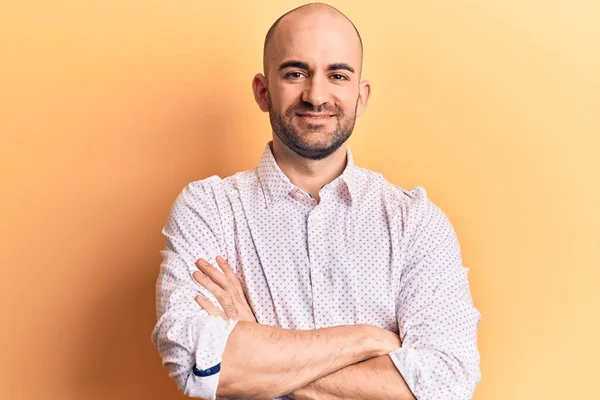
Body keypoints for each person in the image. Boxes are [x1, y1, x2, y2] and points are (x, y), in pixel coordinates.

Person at [151, 3, 481, 399]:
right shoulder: (209, 209)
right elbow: (194, 362)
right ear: (262, 90)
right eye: (295, 73)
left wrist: (255, 341)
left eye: (337, 75)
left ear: (361, 96)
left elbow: (447, 384)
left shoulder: (415, 223)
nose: (316, 95)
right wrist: (366, 340)